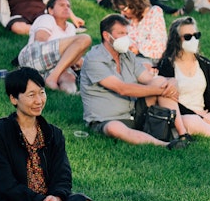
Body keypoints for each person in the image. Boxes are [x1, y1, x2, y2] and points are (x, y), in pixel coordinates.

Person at [0, 68, 162, 201]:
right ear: (14, 98)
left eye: (42, 93)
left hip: (51, 200)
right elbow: (4, 182)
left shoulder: (53, 133)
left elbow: (62, 174)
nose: (39, 100)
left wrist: (56, 197)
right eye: (31, 95)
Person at [79, 14, 190, 148]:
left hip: (133, 112)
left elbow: (149, 79)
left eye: (126, 33)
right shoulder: (94, 59)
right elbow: (122, 89)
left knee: (160, 81)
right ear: (106, 36)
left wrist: (171, 81)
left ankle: (183, 135)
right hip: (106, 119)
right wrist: (162, 90)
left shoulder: (127, 55)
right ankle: (165, 145)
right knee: (114, 128)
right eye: (120, 33)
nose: (125, 37)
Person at [18, 0, 90, 94]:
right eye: (61, 5)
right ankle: (52, 78)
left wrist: (75, 59)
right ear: (51, 10)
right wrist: (73, 56)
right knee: (84, 39)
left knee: (69, 77)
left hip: (52, 65)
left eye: (68, 6)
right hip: (33, 56)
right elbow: (40, 40)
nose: (66, 8)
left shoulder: (70, 28)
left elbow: (70, 53)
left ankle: (70, 93)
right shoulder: (47, 18)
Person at [112, 0, 166, 64]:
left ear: (134, 5)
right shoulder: (125, 18)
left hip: (150, 57)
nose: (122, 13)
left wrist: (138, 49)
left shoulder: (154, 12)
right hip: (129, 55)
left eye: (124, 9)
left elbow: (157, 41)